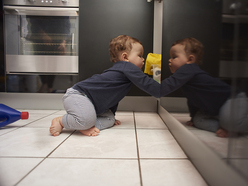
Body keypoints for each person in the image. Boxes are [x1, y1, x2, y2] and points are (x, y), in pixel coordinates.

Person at [50, 35, 161, 137]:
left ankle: (85, 125)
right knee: (86, 120)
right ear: (125, 57)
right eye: (140, 55)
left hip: (90, 102)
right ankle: (61, 121)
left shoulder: (124, 71)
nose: (143, 59)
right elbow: (154, 88)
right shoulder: (128, 67)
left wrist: (112, 114)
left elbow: (112, 96)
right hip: (78, 95)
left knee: (110, 119)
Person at [161, 37, 248, 137]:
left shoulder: (189, 69)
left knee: (230, 122)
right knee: (198, 120)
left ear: (190, 59)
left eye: (174, 57)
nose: (169, 60)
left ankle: (230, 125)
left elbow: (164, 87)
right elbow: (193, 100)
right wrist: (193, 117)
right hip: (216, 108)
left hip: (232, 98)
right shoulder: (185, 79)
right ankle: (225, 129)